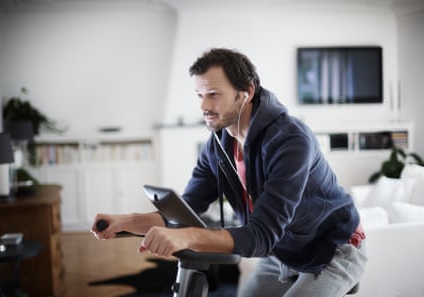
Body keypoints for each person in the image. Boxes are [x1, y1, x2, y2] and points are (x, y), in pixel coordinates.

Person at [91, 48, 367, 297]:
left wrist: (187, 237)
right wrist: (126, 221)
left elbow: (260, 236)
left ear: (245, 92)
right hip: (283, 249)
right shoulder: (218, 144)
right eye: (200, 95)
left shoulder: (290, 140)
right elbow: (187, 209)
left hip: (331, 249)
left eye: (213, 94)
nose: (203, 107)